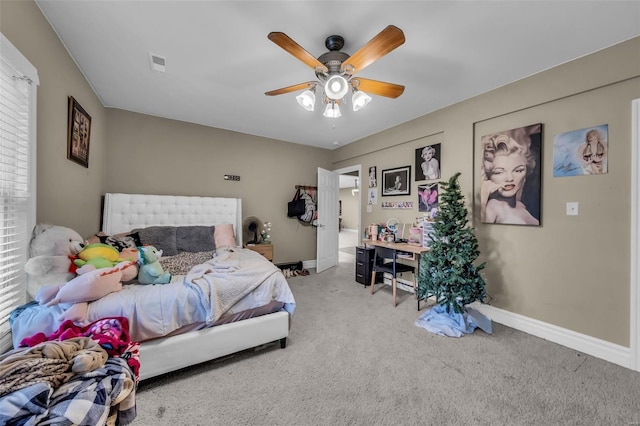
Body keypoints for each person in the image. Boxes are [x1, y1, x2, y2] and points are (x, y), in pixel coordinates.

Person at [481, 134, 539, 225]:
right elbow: (478, 232)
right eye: (499, 172)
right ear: (489, 176)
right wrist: (483, 197)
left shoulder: (521, 206)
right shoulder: (493, 205)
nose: (510, 178)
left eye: (518, 170)